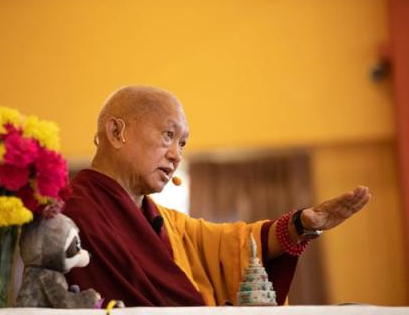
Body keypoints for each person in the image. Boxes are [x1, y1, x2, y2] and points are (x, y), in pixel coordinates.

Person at [64, 85, 371, 307]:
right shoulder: (73, 209)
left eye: (182, 144)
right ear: (117, 132)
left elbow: (233, 244)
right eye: (168, 136)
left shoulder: (165, 222)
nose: (175, 155)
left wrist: (301, 225)